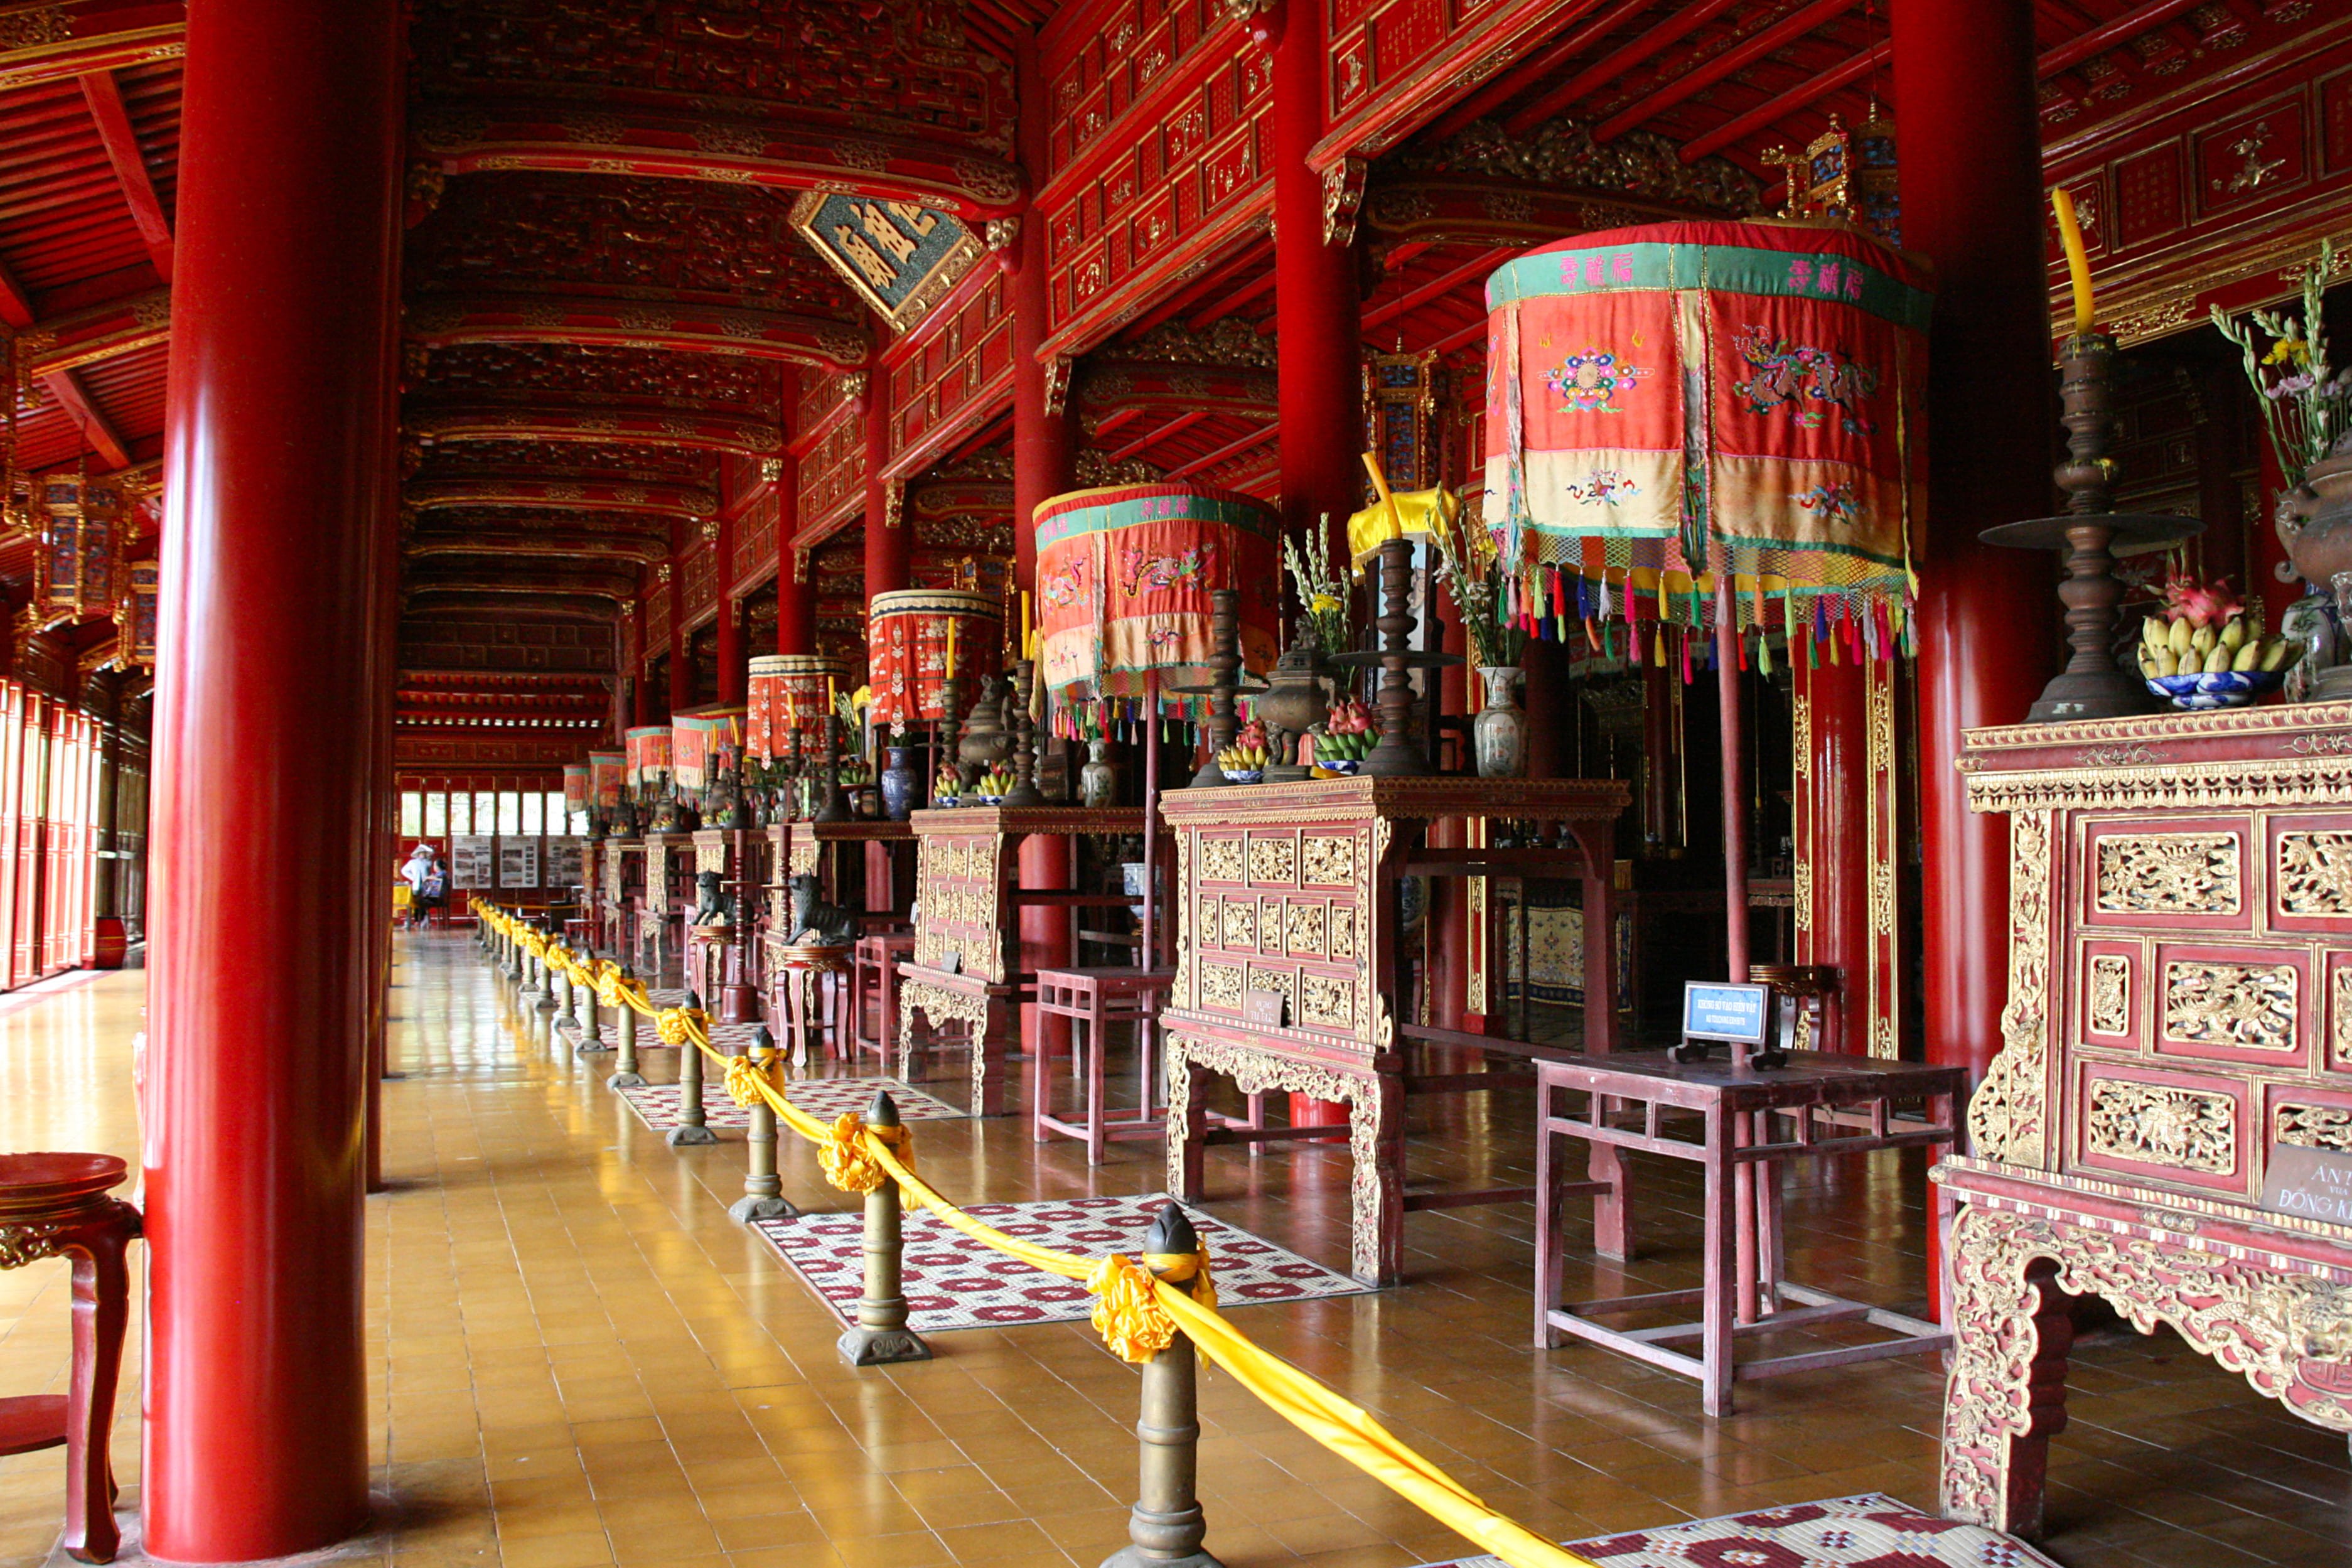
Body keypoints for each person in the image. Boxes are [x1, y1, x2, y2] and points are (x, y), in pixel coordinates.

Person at [400, 844, 436, 929]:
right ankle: (417, 920)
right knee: (416, 902)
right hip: (416, 884)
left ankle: (424, 918)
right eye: (422, 853)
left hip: (426, 885)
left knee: (424, 902)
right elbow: (404, 870)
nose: (424, 855)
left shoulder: (428, 862)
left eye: (425, 853)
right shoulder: (412, 863)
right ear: (419, 854)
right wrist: (412, 877)